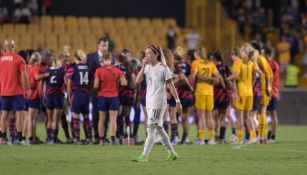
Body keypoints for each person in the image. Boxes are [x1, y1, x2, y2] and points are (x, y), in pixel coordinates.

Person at [132, 45, 181, 162]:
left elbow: (171, 86)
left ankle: (144, 156)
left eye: (149, 53)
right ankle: (172, 153)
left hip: (159, 101)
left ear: (156, 55)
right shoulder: (147, 67)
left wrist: (178, 101)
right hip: (149, 101)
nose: (146, 55)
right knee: (159, 128)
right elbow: (137, 81)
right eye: (146, 53)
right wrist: (143, 65)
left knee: (150, 128)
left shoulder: (164, 68)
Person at [190, 47, 223, 145]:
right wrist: (211, 80)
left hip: (200, 91)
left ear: (197, 53)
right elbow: (219, 78)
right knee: (209, 116)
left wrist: (201, 78)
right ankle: (212, 138)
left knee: (201, 116)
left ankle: (200, 138)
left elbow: (194, 75)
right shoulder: (211, 64)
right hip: (210, 92)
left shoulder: (196, 63)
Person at [94, 52, 127, 145]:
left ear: (102, 59)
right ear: (111, 59)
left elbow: (95, 85)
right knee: (113, 119)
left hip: (102, 97)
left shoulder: (99, 70)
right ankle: (113, 138)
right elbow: (124, 83)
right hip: (114, 97)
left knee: (101, 119)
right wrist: (116, 83)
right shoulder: (117, 70)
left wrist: (101, 87)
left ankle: (101, 139)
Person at [0, 39, 29, 144]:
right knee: (19, 116)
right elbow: (24, 75)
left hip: (4, 92)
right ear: (14, 46)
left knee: (4, 116)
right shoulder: (19, 59)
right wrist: (27, 88)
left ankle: (3, 138)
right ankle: (19, 139)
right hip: (17, 92)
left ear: (4, 47)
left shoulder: (0, 59)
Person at [67, 50, 93, 144]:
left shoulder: (72, 68)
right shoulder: (88, 68)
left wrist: (70, 96)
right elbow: (91, 81)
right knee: (86, 117)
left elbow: (69, 84)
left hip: (77, 94)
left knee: (75, 117)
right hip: (86, 94)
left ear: (75, 58)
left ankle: (76, 138)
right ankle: (89, 138)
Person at [87, 37, 109, 143]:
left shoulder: (111, 58)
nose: (105, 48)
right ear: (98, 46)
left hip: (108, 91)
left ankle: (104, 136)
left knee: (107, 115)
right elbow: (88, 74)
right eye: (103, 46)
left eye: (106, 46)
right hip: (95, 91)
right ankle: (97, 136)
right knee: (96, 113)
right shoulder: (90, 57)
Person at [211, 50, 232, 144]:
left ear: (214, 59)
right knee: (222, 117)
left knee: (214, 117)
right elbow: (231, 81)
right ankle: (222, 138)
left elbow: (214, 81)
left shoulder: (213, 67)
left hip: (216, 94)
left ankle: (214, 136)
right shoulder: (226, 67)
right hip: (225, 94)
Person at [44, 56, 66, 144]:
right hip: (58, 96)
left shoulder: (47, 71)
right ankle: (54, 138)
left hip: (49, 96)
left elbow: (43, 83)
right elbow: (65, 83)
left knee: (49, 118)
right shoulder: (62, 71)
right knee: (56, 119)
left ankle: (49, 138)